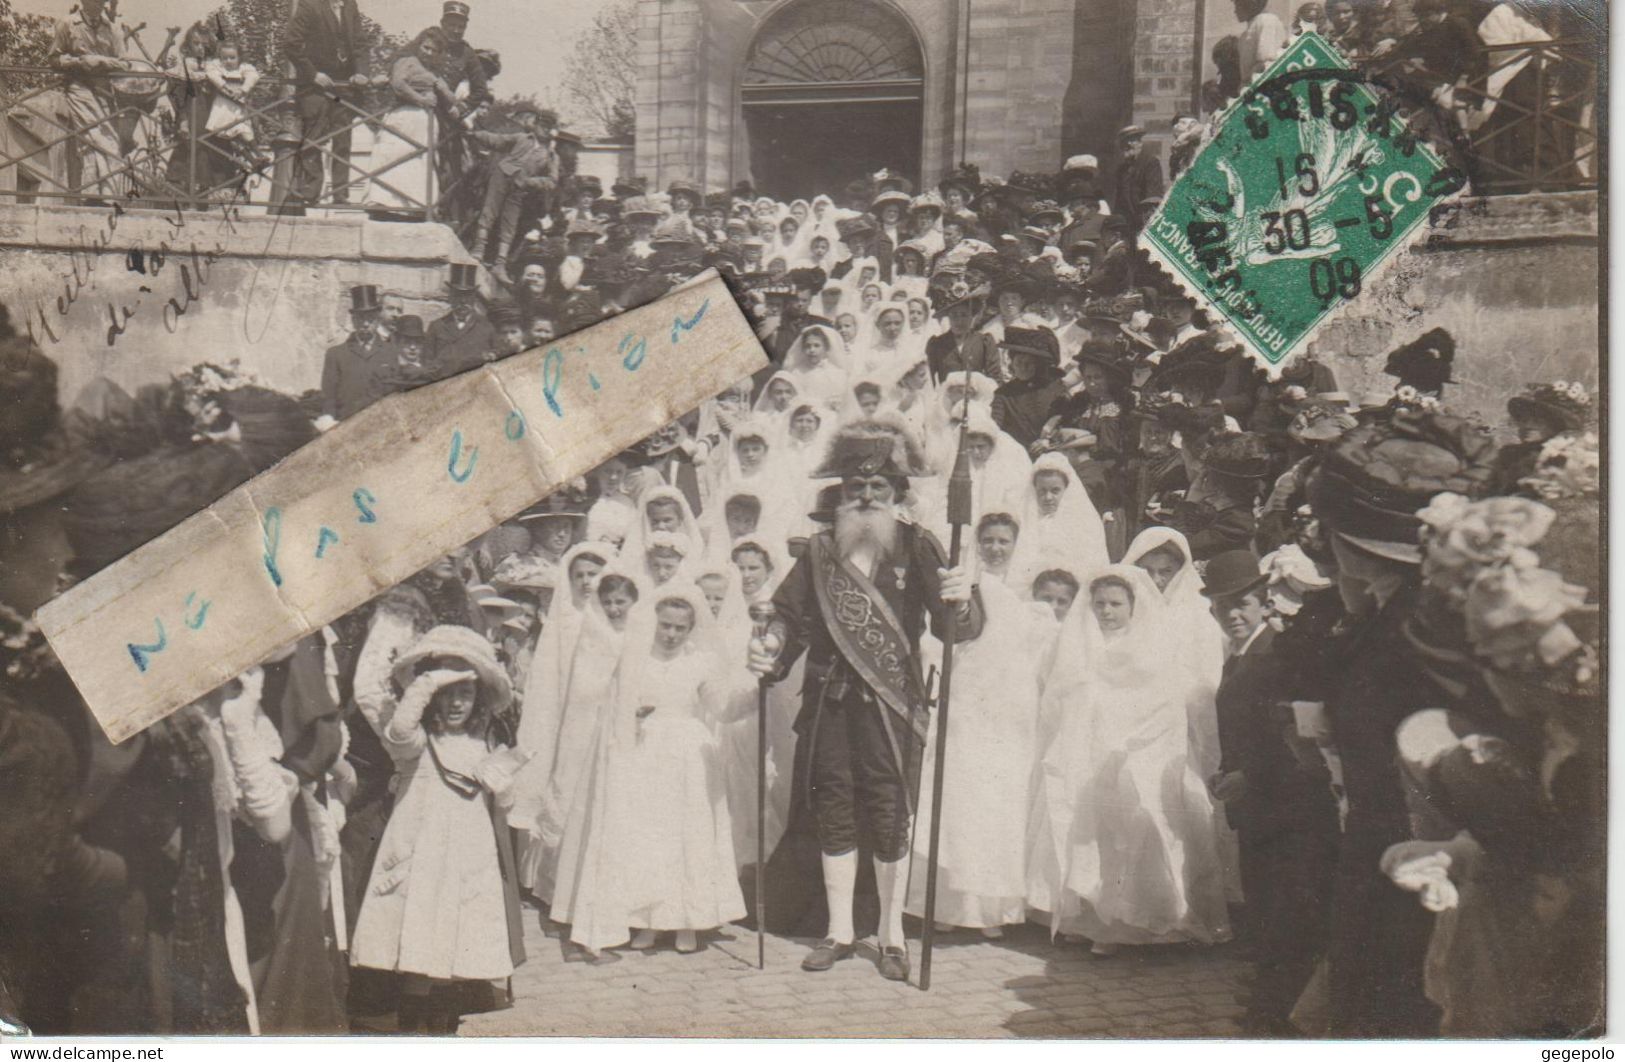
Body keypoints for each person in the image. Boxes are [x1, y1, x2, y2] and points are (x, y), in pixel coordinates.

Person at [749, 418, 979, 982]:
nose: (868, 496)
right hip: (830, 702)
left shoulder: (920, 545)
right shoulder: (819, 551)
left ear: (898, 492)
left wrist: (961, 598)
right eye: (857, 487)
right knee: (834, 810)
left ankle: (892, 935)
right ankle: (838, 931)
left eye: (879, 487)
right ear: (841, 494)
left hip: (892, 704)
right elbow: (789, 615)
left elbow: (957, 629)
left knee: (888, 812)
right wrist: (771, 645)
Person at [553, 584, 746, 956]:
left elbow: (722, 707)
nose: (671, 634)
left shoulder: (699, 662)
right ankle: (647, 920)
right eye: (665, 626)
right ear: (652, 622)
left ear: (691, 629)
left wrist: (754, 692)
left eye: (680, 628)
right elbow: (606, 704)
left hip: (688, 754)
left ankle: (686, 920)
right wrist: (627, 713)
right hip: (643, 750)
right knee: (646, 835)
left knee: (686, 833)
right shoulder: (634, 659)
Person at [350, 626, 525, 1034]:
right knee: (416, 942)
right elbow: (398, 730)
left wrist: (504, 787)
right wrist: (428, 680)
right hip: (421, 851)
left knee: (454, 943)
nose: (455, 703)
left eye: (464, 693)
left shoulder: (482, 742)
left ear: (478, 698)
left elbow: (504, 803)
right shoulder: (416, 742)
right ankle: (413, 1027)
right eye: (446, 694)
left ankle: (445, 1029)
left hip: (467, 855)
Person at [1049, 566, 1231, 954]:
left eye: (1116, 603)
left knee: (1146, 827)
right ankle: (1102, 924)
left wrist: (1134, 740)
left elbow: (1166, 697)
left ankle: (1157, 923)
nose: (1107, 611)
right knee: (1096, 833)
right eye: (1099, 604)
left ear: (1133, 606)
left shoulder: (1152, 643)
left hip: (1145, 748)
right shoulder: (1082, 644)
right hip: (1096, 748)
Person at [1201, 550, 1338, 1036]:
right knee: (1268, 915)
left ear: (1264, 604)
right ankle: (1270, 1006)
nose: (1232, 615)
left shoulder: (1277, 654)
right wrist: (1227, 771)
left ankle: (1279, 1019)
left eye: (1241, 604)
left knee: (1287, 918)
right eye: (1222, 607)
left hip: (1289, 810)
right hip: (1258, 811)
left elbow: (1293, 738)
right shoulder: (1240, 656)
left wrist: (1249, 776)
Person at [282, 0, 370, 210]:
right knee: (314, 137)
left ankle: (340, 195)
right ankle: (310, 194)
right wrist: (313, 74)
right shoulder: (310, 5)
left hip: (343, 87)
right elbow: (291, 44)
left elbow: (360, 44)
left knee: (343, 138)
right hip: (316, 88)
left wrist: (362, 72)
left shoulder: (350, 5)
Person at [366, 29, 458, 216]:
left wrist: (443, 90)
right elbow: (398, 85)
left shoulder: (434, 71)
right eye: (426, 48)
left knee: (420, 159)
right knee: (396, 156)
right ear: (419, 45)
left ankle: (415, 205)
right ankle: (384, 203)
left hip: (424, 121)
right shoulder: (407, 62)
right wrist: (421, 99)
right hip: (404, 115)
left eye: (435, 51)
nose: (429, 53)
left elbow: (450, 97)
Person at [51, 0, 134, 201]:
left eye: (101, 1)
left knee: (110, 140)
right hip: (79, 89)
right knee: (89, 140)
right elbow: (54, 59)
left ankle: (109, 195)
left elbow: (125, 64)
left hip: (106, 92)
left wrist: (102, 61)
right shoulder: (67, 23)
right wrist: (79, 62)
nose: (97, 5)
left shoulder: (113, 29)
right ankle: (91, 194)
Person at [470, 106, 559, 283]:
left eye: (548, 127)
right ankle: (478, 250)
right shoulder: (522, 138)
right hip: (502, 175)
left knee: (510, 223)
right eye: (541, 125)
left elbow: (552, 181)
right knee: (489, 211)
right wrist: (475, 134)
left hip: (521, 187)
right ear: (535, 125)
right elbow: (497, 140)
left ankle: (500, 265)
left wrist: (530, 182)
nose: (544, 129)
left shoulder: (551, 155)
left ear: (553, 131)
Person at [320, 285, 389, 421]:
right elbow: (329, 399)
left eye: (370, 318)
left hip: (381, 426)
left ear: (377, 320)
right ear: (353, 320)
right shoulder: (336, 355)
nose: (365, 324)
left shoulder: (390, 352)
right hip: (345, 426)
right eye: (361, 318)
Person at [428, 263, 495, 378]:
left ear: (474, 297)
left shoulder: (487, 327)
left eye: (467, 295)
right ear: (450, 297)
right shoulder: (436, 327)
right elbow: (427, 364)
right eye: (458, 295)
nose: (463, 301)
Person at [1112, 126, 1165, 232]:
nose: (1127, 146)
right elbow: (1119, 201)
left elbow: (1153, 197)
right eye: (1123, 145)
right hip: (1127, 225)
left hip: (1145, 223)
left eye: (1132, 141)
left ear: (1139, 143)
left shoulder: (1150, 163)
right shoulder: (1121, 170)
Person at [1234, 0, 1288, 78]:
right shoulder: (1245, 34)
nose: (1235, 11)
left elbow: (1267, 61)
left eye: (1237, 4)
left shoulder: (1266, 20)